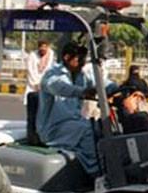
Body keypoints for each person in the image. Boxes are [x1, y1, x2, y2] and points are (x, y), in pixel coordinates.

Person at [36, 42, 109, 175]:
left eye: (83, 60)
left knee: (102, 127)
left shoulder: (81, 75)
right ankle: (97, 174)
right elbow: (59, 87)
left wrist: (121, 88)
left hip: (73, 123)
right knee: (88, 130)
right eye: (78, 60)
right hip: (55, 128)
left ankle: (105, 165)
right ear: (67, 57)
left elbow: (100, 83)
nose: (82, 63)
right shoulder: (53, 74)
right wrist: (82, 92)